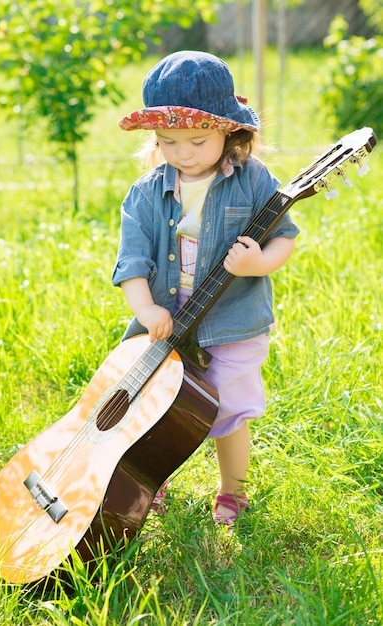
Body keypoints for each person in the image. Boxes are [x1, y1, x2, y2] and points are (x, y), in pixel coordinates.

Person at [112, 50, 299, 526]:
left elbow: (284, 238)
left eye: (197, 139)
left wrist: (258, 263)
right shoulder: (145, 192)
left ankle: (232, 491)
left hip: (232, 322)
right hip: (164, 320)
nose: (183, 153)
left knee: (231, 409)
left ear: (228, 131)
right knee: (153, 409)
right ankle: (149, 481)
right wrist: (146, 308)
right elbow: (132, 261)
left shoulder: (253, 180)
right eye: (169, 141)